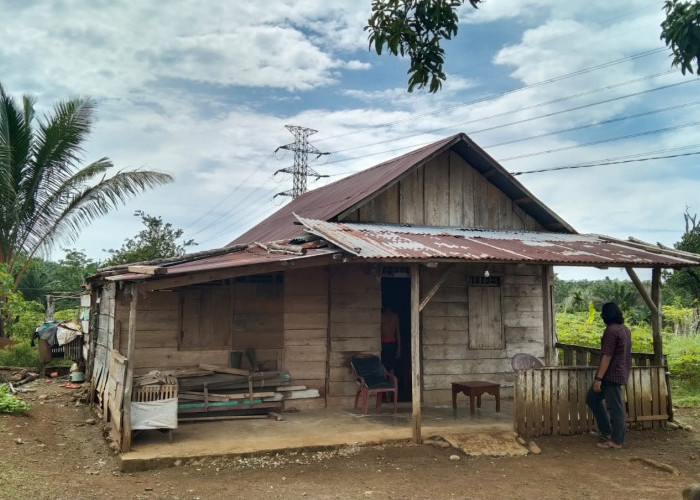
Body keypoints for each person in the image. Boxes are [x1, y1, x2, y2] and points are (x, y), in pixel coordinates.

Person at [585, 302, 632, 449]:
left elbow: (607, 356)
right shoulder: (624, 329)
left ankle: (616, 441)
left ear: (606, 315)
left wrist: (598, 379)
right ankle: (606, 431)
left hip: (610, 376)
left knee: (615, 408)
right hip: (619, 371)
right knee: (592, 398)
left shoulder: (611, 331)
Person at [380, 306, 401, 375]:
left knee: (392, 366)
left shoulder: (395, 316)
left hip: (392, 343)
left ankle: (392, 384)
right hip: (383, 343)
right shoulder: (381, 316)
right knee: (383, 366)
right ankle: (385, 384)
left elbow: (398, 332)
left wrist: (398, 349)